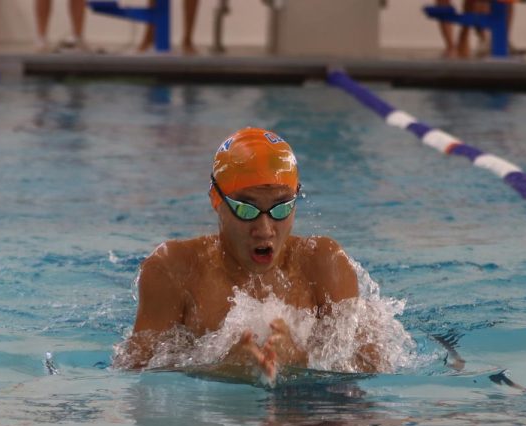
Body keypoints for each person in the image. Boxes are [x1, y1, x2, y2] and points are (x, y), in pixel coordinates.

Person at [115, 127, 384, 384]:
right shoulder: (174, 270)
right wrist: (222, 370)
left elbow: (374, 365)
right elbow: (133, 371)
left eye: (281, 208)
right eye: (246, 209)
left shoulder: (324, 264)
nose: (264, 229)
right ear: (215, 199)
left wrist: (301, 361)